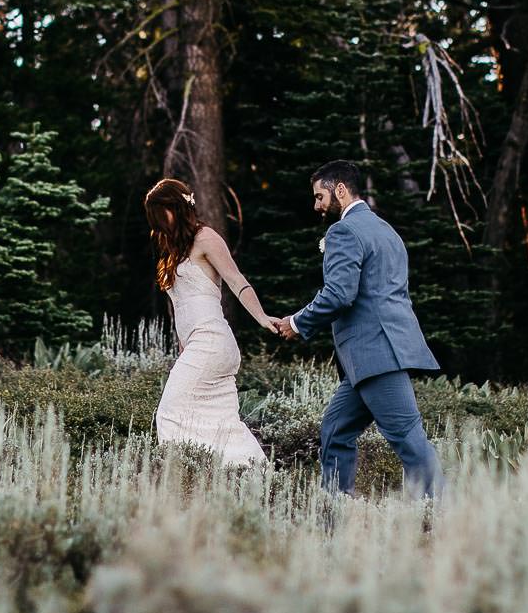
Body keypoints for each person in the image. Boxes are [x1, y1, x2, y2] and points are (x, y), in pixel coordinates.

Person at [271, 160, 444, 497]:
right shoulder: (386, 231)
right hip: (371, 358)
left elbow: (339, 295)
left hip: (375, 353)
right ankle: (333, 510)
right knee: (335, 430)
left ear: (340, 189)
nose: (316, 205)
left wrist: (296, 323)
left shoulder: (343, 231)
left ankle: (445, 514)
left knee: (408, 438)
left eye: (320, 196)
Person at [145, 178, 278, 464]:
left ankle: (182, 480)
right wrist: (183, 350)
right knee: (222, 423)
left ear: (177, 207)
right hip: (198, 345)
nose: (159, 224)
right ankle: (250, 475)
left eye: (161, 215)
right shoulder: (173, 251)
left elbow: (236, 280)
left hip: (211, 342)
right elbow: (181, 309)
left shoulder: (206, 238)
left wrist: (262, 317)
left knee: (169, 412)